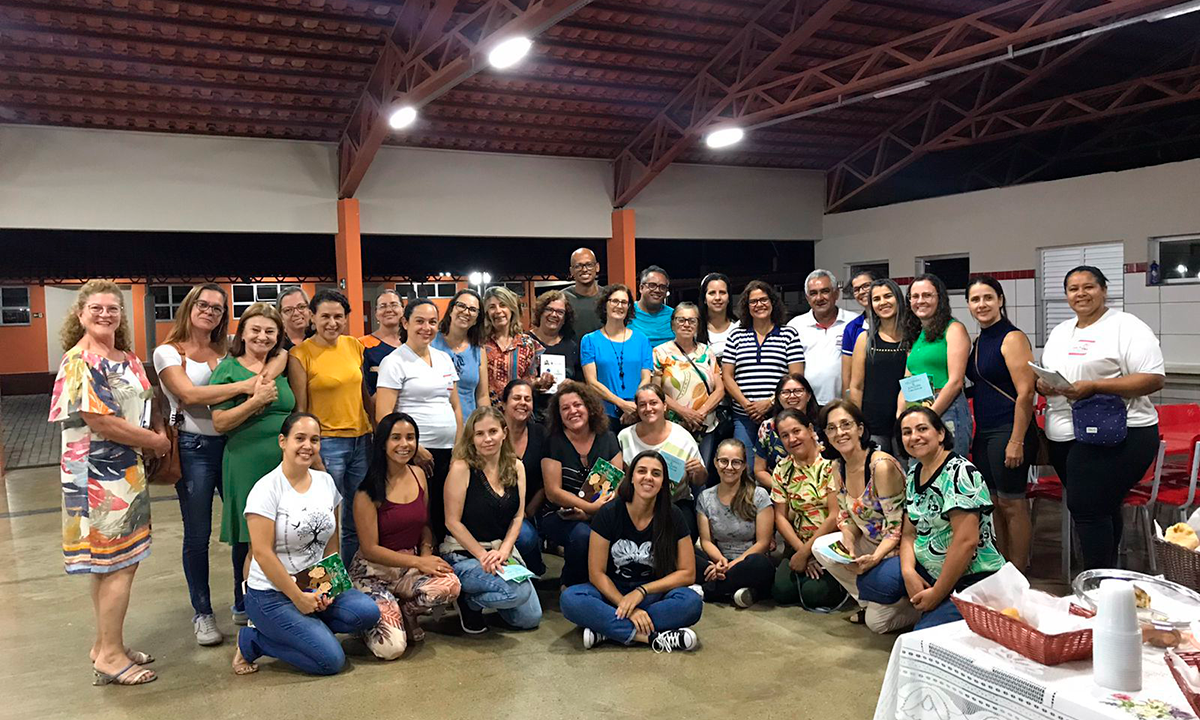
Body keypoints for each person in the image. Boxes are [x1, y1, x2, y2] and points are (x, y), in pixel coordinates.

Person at [49, 280, 171, 686]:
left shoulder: (127, 358)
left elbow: (147, 401)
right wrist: (155, 442)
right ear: (80, 314)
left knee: (111, 565)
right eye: (96, 308)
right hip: (97, 477)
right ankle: (112, 656)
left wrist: (157, 430)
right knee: (118, 565)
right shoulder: (80, 361)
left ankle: (104, 646)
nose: (105, 315)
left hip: (126, 472)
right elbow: (100, 421)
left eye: (112, 309)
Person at [155, 283, 281, 646]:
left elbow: (277, 355)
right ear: (189, 306)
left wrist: (259, 378)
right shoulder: (169, 352)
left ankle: (242, 601)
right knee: (198, 534)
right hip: (193, 447)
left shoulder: (226, 348)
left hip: (233, 445)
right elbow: (189, 394)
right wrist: (247, 388)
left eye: (217, 307)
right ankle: (203, 612)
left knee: (245, 526)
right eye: (203, 304)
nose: (209, 311)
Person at [231, 413, 380, 676]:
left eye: (315, 440)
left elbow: (332, 544)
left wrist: (327, 588)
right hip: (271, 593)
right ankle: (253, 641)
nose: (307, 446)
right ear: (282, 441)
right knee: (331, 661)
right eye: (299, 438)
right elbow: (262, 554)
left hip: (313, 582)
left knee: (367, 612)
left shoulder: (325, 482)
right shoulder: (266, 490)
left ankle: (305, 629)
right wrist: (298, 598)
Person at [1038, 265, 1165, 570]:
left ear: (1104, 290)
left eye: (1089, 287)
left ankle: (1095, 582)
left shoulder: (1126, 327)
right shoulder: (1061, 331)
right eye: (1073, 289)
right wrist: (1044, 385)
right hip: (1065, 434)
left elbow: (1153, 378)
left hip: (1120, 432)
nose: (1080, 294)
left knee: (1086, 507)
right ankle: (1107, 578)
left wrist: (1096, 387)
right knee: (1102, 506)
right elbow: (1052, 375)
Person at [853, 407, 1004, 630]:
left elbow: (966, 542)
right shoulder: (915, 473)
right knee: (869, 582)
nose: (914, 437)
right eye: (907, 432)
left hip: (970, 577)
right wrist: (908, 573)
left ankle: (951, 608)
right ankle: (929, 605)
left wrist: (937, 593)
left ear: (940, 433)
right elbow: (909, 533)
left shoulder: (960, 472)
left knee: (922, 638)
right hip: (928, 567)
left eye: (922, 429)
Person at [559, 450, 703, 652]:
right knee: (570, 599)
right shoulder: (609, 513)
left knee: (691, 602)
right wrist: (628, 607)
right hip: (612, 593)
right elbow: (597, 573)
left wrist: (641, 592)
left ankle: (607, 630)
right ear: (631, 478)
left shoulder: (674, 515)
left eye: (656, 473)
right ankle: (650, 637)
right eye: (642, 471)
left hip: (652, 593)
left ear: (663, 482)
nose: (648, 477)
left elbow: (687, 573)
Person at [209, 303, 295, 628]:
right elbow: (220, 422)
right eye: (255, 329)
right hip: (246, 461)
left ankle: (285, 599)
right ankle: (248, 607)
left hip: (284, 463)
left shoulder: (281, 365)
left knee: (286, 531)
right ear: (242, 333)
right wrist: (255, 402)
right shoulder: (228, 370)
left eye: (270, 331)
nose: (262, 336)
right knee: (251, 539)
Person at [351, 413, 461, 660]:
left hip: (409, 566)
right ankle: (368, 619)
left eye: (410, 437)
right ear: (383, 443)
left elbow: (425, 524)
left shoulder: (419, 474)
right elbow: (369, 549)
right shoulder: (366, 492)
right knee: (391, 649)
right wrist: (419, 562)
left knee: (450, 585)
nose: (405, 444)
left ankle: (406, 610)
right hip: (373, 572)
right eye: (396, 438)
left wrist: (426, 554)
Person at [813, 401, 919, 633]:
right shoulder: (837, 466)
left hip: (899, 548)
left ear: (860, 429)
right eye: (831, 428)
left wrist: (875, 558)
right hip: (870, 542)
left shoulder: (880, 466)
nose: (839, 432)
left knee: (877, 624)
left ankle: (917, 606)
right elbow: (846, 517)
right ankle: (869, 601)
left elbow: (896, 528)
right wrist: (849, 541)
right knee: (821, 547)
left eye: (846, 424)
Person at [288, 289, 374, 564]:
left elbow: (363, 394)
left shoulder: (354, 346)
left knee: (356, 517)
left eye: (338, 316)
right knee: (327, 518)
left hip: (361, 440)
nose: (332, 323)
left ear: (346, 318)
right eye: (325, 316)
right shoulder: (300, 354)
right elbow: (301, 410)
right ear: (312, 317)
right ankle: (326, 578)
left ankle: (349, 574)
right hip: (327, 444)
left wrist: (377, 427)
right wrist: (311, 452)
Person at [441, 407, 542, 634]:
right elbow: (452, 522)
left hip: (500, 552)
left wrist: (505, 550)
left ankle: (479, 598)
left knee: (530, 618)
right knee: (517, 592)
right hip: (465, 554)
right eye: (480, 433)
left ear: (504, 433)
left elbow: (518, 516)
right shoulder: (461, 468)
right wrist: (482, 555)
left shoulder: (516, 467)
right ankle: (469, 602)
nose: (487, 439)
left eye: (493, 431)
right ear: (471, 438)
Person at [376, 299, 464, 541]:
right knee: (421, 515)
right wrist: (414, 449)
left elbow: (455, 406)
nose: (427, 327)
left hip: (448, 451)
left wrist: (459, 446)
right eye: (420, 321)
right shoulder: (394, 362)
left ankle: (444, 557)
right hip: (415, 454)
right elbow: (384, 416)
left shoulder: (444, 359)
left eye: (432, 322)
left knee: (444, 513)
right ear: (405, 323)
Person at [965, 276, 1037, 567]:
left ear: (1000, 300)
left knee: (1012, 502)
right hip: (985, 432)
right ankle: (1002, 566)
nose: (981, 304)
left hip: (1009, 429)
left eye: (988, 298)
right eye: (975, 299)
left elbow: (1026, 392)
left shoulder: (1012, 338)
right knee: (993, 503)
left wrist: (1016, 440)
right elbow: (982, 385)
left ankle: (1018, 571)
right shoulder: (980, 340)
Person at [540, 381, 623, 588]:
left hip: (602, 511)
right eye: (565, 408)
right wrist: (589, 508)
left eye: (577, 405)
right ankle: (570, 584)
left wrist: (590, 513)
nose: (572, 411)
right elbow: (553, 492)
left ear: (589, 407)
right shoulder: (553, 441)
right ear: (559, 415)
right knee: (582, 535)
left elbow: (618, 484)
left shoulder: (608, 438)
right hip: (559, 514)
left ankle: (609, 585)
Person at [769, 409, 845, 610]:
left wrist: (807, 553)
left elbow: (834, 516)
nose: (792, 439)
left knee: (814, 594)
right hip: (798, 543)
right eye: (785, 435)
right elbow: (780, 517)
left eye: (796, 431)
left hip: (830, 544)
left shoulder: (831, 463)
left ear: (810, 430)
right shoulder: (782, 469)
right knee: (782, 592)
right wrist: (800, 552)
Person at [723, 280, 804, 458]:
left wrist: (769, 402)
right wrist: (748, 406)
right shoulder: (736, 335)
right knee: (745, 466)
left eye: (764, 300)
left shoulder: (788, 334)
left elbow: (796, 377)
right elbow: (727, 376)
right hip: (744, 416)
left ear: (772, 302)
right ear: (747, 306)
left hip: (779, 415)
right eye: (753, 301)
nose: (759, 305)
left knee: (781, 465)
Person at [618, 385, 708, 539]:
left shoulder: (683, 437)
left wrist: (699, 471)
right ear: (637, 409)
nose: (648, 408)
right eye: (642, 405)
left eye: (653, 403)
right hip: (635, 504)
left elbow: (700, 481)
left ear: (665, 406)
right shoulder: (625, 437)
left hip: (675, 503)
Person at [694, 439, 774, 608]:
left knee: (761, 565)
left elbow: (763, 543)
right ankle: (736, 590)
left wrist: (730, 566)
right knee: (683, 552)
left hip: (747, 561)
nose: (729, 467)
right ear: (715, 463)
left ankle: (709, 590)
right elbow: (706, 541)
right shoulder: (705, 497)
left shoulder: (759, 495)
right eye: (724, 461)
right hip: (718, 560)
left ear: (744, 465)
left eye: (736, 462)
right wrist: (720, 562)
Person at [900, 274, 972, 457]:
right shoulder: (917, 335)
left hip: (946, 410)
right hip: (918, 409)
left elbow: (955, 382)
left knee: (947, 469)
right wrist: (901, 415)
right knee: (918, 470)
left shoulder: (954, 329)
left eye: (927, 295)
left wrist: (928, 418)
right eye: (915, 296)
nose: (920, 301)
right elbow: (908, 380)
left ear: (940, 298)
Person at [653, 301, 724, 470]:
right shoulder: (659, 352)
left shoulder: (707, 352)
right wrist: (684, 413)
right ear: (673, 324)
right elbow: (657, 392)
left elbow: (720, 389)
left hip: (704, 425)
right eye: (681, 320)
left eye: (692, 320)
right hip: (673, 426)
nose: (686, 324)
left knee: (700, 471)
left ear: (698, 325)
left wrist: (700, 413)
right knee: (673, 474)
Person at [849, 279, 912, 454]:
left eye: (888, 296)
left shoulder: (913, 338)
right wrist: (857, 424)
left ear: (898, 299)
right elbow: (856, 386)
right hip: (873, 424)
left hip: (905, 422)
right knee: (878, 470)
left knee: (907, 469)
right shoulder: (865, 339)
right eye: (876, 299)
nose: (883, 302)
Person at [581, 283, 653, 434]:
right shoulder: (589, 340)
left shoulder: (642, 340)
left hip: (637, 412)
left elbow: (646, 378)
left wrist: (634, 405)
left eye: (624, 302)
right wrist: (622, 404)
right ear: (605, 305)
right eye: (614, 301)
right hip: (604, 415)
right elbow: (592, 382)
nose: (619, 306)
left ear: (629, 307)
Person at [787, 269, 856, 405]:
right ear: (807, 298)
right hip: (807, 405)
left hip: (843, 404)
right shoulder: (795, 326)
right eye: (813, 293)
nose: (819, 298)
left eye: (825, 291)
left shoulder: (854, 323)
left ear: (836, 293)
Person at [502, 379, 548, 577]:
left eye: (527, 399)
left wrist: (528, 511)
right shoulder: (491, 433)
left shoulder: (541, 434)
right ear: (503, 403)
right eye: (517, 398)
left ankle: (532, 571)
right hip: (493, 511)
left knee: (526, 537)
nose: (522, 403)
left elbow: (546, 482)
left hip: (529, 510)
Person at [483, 286, 548, 407]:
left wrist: (540, 382)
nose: (498, 311)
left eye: (503, 305)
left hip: (519, 410)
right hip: (488, 412)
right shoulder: (480, 343)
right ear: (486, 313)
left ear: (511, 309)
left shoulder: (527, 344)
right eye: (492, 307)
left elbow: (528, 381)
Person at [752, 373, 820, 488]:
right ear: (778, 398)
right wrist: (784, 489)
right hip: (779, 489)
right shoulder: (767, 427)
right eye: (785, 392)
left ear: (808, 395)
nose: (792, 396)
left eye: (798, 391)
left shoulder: (822, 423)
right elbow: (759, 471)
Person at [433, 288, 489, 417]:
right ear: (451, 310)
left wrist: (485, 422)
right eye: (461, 306)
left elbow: (482, 396)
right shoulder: (431, 342)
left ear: (476, 319)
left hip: (467, 424)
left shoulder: (479, 349)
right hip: (435, 422)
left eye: (472, 309)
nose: (466, 312)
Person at [530, 289, 580, 423]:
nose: (554, 315)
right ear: (540, 312)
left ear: (565, 318)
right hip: (531, 417)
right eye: (549, 309)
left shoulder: (571, 346)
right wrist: (535, 383)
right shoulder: (525, 342)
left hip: (564, 418)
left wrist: (572, 385)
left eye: (560, 312)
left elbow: (582, 382)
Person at [840, 270, 878, 399]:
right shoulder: (852, 328)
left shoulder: (900, 323)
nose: (861, 292)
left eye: (866, 286)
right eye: (856, 289)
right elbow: (847, 376)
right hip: (866, 397)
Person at [360, 289, 404, 397]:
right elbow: (364, 388)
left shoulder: (413, 343)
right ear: (376, 313)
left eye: (394, 305)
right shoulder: (363, 344)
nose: (388, 310)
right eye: (383, 306)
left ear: (403, 309)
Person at [629, 265, 675, 347]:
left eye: (662, 287)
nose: (657, 290)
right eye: (652, 285)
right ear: (641, 288)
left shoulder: (674, 316)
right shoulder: (627, 313)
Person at [696, 272, 736, 362]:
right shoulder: (695, 330)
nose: (717, 297)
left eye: (722, 292)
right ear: (704, 299)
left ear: (729, 298)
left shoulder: (739, 328)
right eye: (712, 293)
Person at [563, 247, 603, 337]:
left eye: (589, 265)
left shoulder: (608, 297)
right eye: (578, 266)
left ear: (597, 267)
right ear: (571, 271)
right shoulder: (562, 299)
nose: (584, 269)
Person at [276, 286, 314, 352]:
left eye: (301, 307)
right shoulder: (275, 344)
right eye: (288, 310)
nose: (296, 313)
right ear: (280, 316)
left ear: (309, 309)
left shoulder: (322, 338)